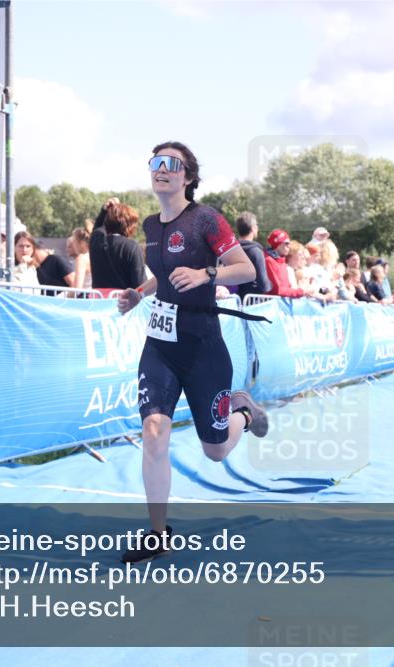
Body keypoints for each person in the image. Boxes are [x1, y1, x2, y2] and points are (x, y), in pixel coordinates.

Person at [116, 141, 268, 563]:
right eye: (155, 163)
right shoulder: (149, 225)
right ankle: (157, 533)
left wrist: (206, 272)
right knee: (153, 432)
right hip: (161, 347)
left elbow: (247, 269)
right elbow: (162, 276)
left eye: (171, 164)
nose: (161, 170)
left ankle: (244, 412)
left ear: (188, 176)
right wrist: (138, 293)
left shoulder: (207, 220)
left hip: (204, 348)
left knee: (215, 450)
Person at [90, 200, 146, 290]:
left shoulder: (96, 240)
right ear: (130, 226)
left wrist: (104, 211)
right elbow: (140, 284)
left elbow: (97, 228)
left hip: (98, 300)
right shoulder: (132, 246)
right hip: (123, 302)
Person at [232, 211, 271, 298]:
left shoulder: (231, 250)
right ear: (253, 228)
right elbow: (263, 283)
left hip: (234, 301)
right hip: (254, 302)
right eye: (256, 225)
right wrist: (270, 286)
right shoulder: (256, 252)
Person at [264, 229, 305, 298]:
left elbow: (287, 287)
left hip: (282, 305)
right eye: (286, 243)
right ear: (277, 244)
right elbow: (277, 290)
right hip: (273, 306)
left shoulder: (282, 262)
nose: (288, 246)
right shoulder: (269, 261)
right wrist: (300, 291)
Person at [66, 228, 92, 292]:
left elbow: (76, 289)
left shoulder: (81, 259)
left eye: (74, 242)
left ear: (81, 243)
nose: (73, 246)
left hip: (84, 299)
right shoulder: (95, 255)